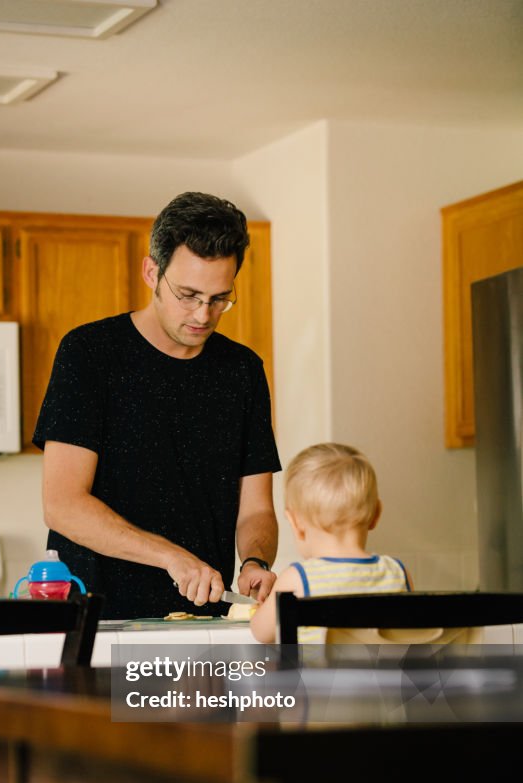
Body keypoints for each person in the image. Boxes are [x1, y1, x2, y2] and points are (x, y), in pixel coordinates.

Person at [33, 191, 281, 620]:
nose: (204, 314)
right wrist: (169, 556)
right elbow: (63, 504)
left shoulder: (242, 371)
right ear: (152, 272)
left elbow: (257, 508)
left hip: (202, 621)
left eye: (220, 298)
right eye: (188, 295)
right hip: (99, 618)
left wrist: (255, 561)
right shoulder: (89, 354)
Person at [251, 442, 412, 643]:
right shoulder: (398, 573)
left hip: (316, 676)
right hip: (387, 675)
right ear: (376, 514)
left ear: (295, 522)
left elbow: (260, 633)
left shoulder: (297, 579)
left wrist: (263, 610)